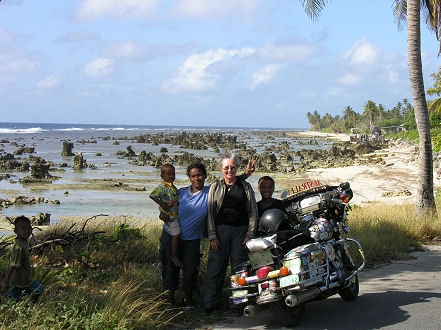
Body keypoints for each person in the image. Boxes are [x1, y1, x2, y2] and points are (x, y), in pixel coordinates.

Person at [204, 153, 258, 314]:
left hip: (241, 232)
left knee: (239, 269)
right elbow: (210, 213)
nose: (229, 170)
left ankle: (237, 304)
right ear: (221, 169)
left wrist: (250, 233)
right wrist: (212, 236)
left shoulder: (245, 187)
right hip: (221, 232)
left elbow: (253, 212)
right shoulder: (216, 186)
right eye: (226, 167)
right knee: (215, 268)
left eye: (233, 167)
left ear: (237, 168)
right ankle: (210, 304)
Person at [159, 163, 210, 309]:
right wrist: (162, 215)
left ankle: (188, 298)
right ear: (189, 178)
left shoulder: (210, 192)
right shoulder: (180, 192)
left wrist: (245, 174)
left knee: (190, 270)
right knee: (170, 269)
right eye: (193, 176)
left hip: (192, 239)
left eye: (199, 175)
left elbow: (228, 182)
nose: (196, 178)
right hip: (170, 235)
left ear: (205, 176)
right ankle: (169, 300)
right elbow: (166, 205)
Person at [2, 216, 44, 301]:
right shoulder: (18, 247)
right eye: (23, 229)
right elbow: (12, 265)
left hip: (23, 279)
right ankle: (27, 303)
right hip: (18, 281)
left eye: (29, 228)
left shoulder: (22, 242)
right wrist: (5, 283)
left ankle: (24, 303)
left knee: (14, 297)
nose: (27, 231)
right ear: (16, 231)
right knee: (39, 289)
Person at [150, 164, 182, 268]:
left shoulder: (172, 187)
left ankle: (162, 239)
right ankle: (174, 255)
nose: (171, 176)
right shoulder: (162, 186)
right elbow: (152, 195)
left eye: (173, 174)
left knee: (171, 232)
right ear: (162, 176)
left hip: (173, 215)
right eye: (168, 174)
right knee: (176, 235)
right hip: (169, 215)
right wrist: (162, 204)